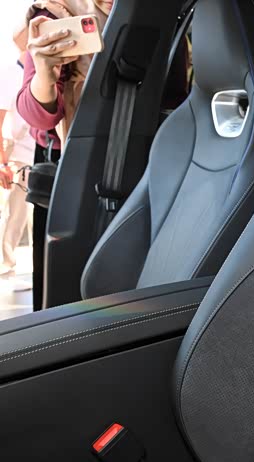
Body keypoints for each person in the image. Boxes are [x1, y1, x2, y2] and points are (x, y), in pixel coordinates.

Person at [14, 0, 113, 310]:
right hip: (71, 166)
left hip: (140, 156)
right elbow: (37, 116)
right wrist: (44, 74)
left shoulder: (155, 12)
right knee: (65, 291)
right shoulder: (55, 13)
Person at [0, 53, 36, 290]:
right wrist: (2, 163)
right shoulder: (10, 74)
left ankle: (15, 269)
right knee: (12, 215)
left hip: (32, 156)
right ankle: (5, 271)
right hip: (15, 157)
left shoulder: (32, 73)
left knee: (25, 216)